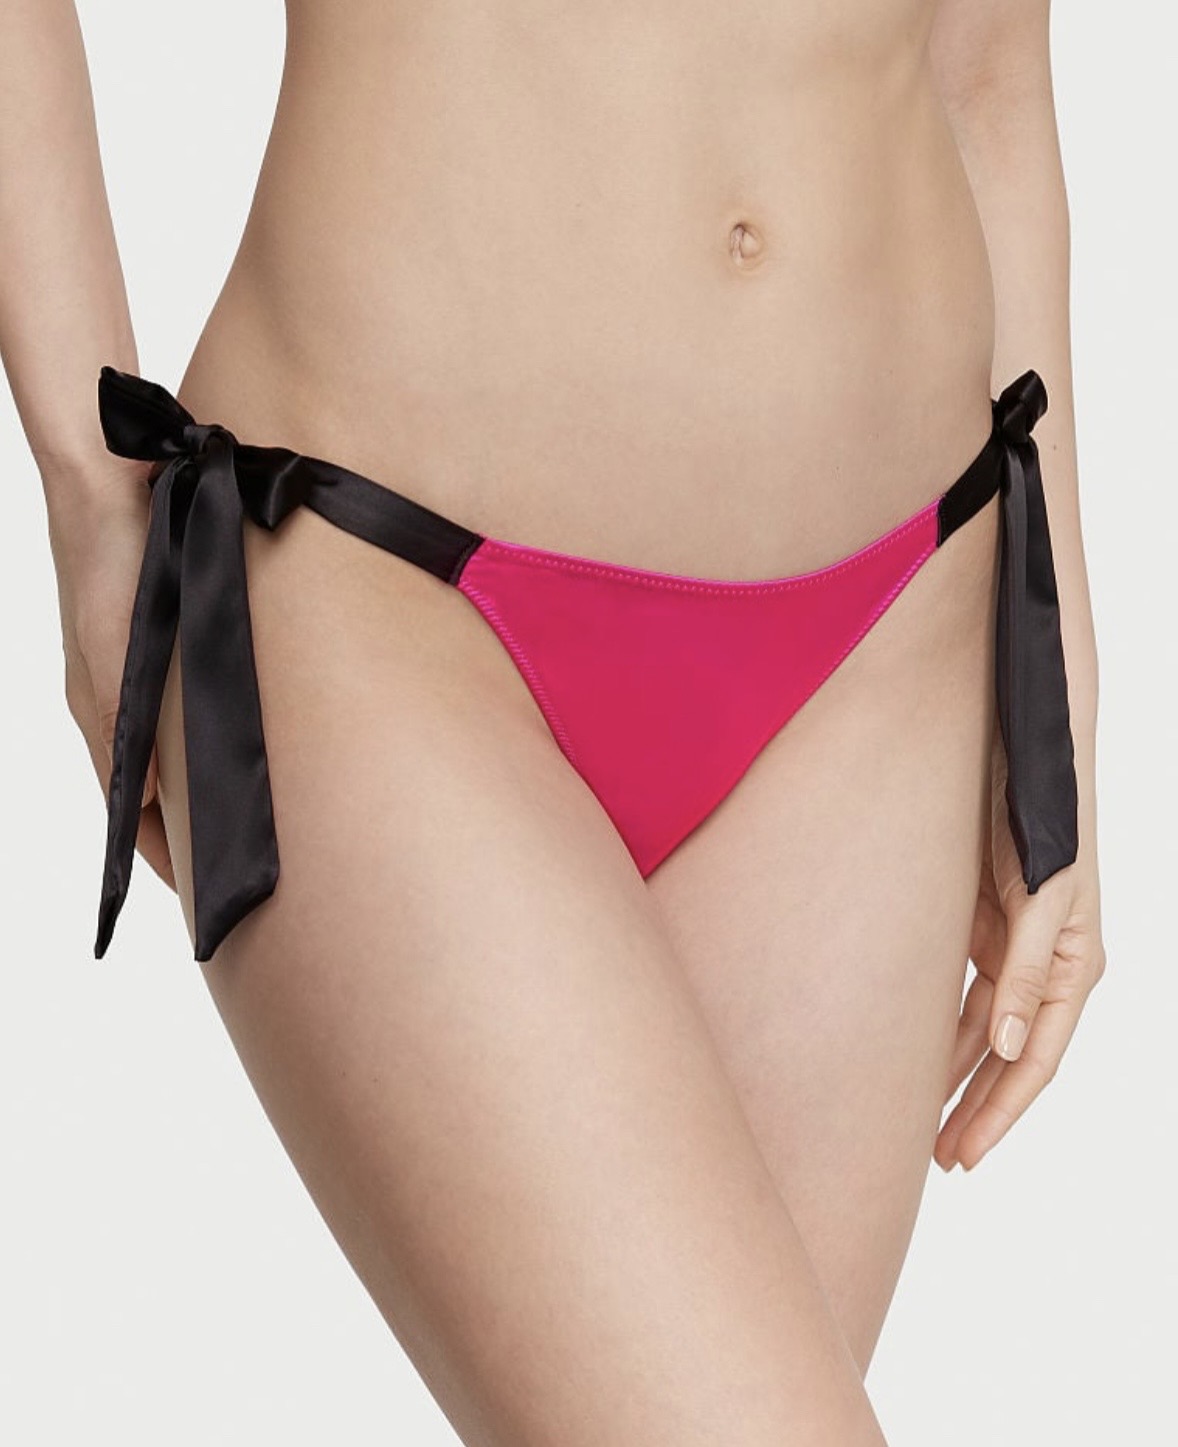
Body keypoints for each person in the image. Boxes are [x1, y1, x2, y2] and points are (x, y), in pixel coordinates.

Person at [1, 1, 1106, 1442]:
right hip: (378, 570)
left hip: (890, 626)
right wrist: (87, 496)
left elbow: (987, 72)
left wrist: (1057, 693)